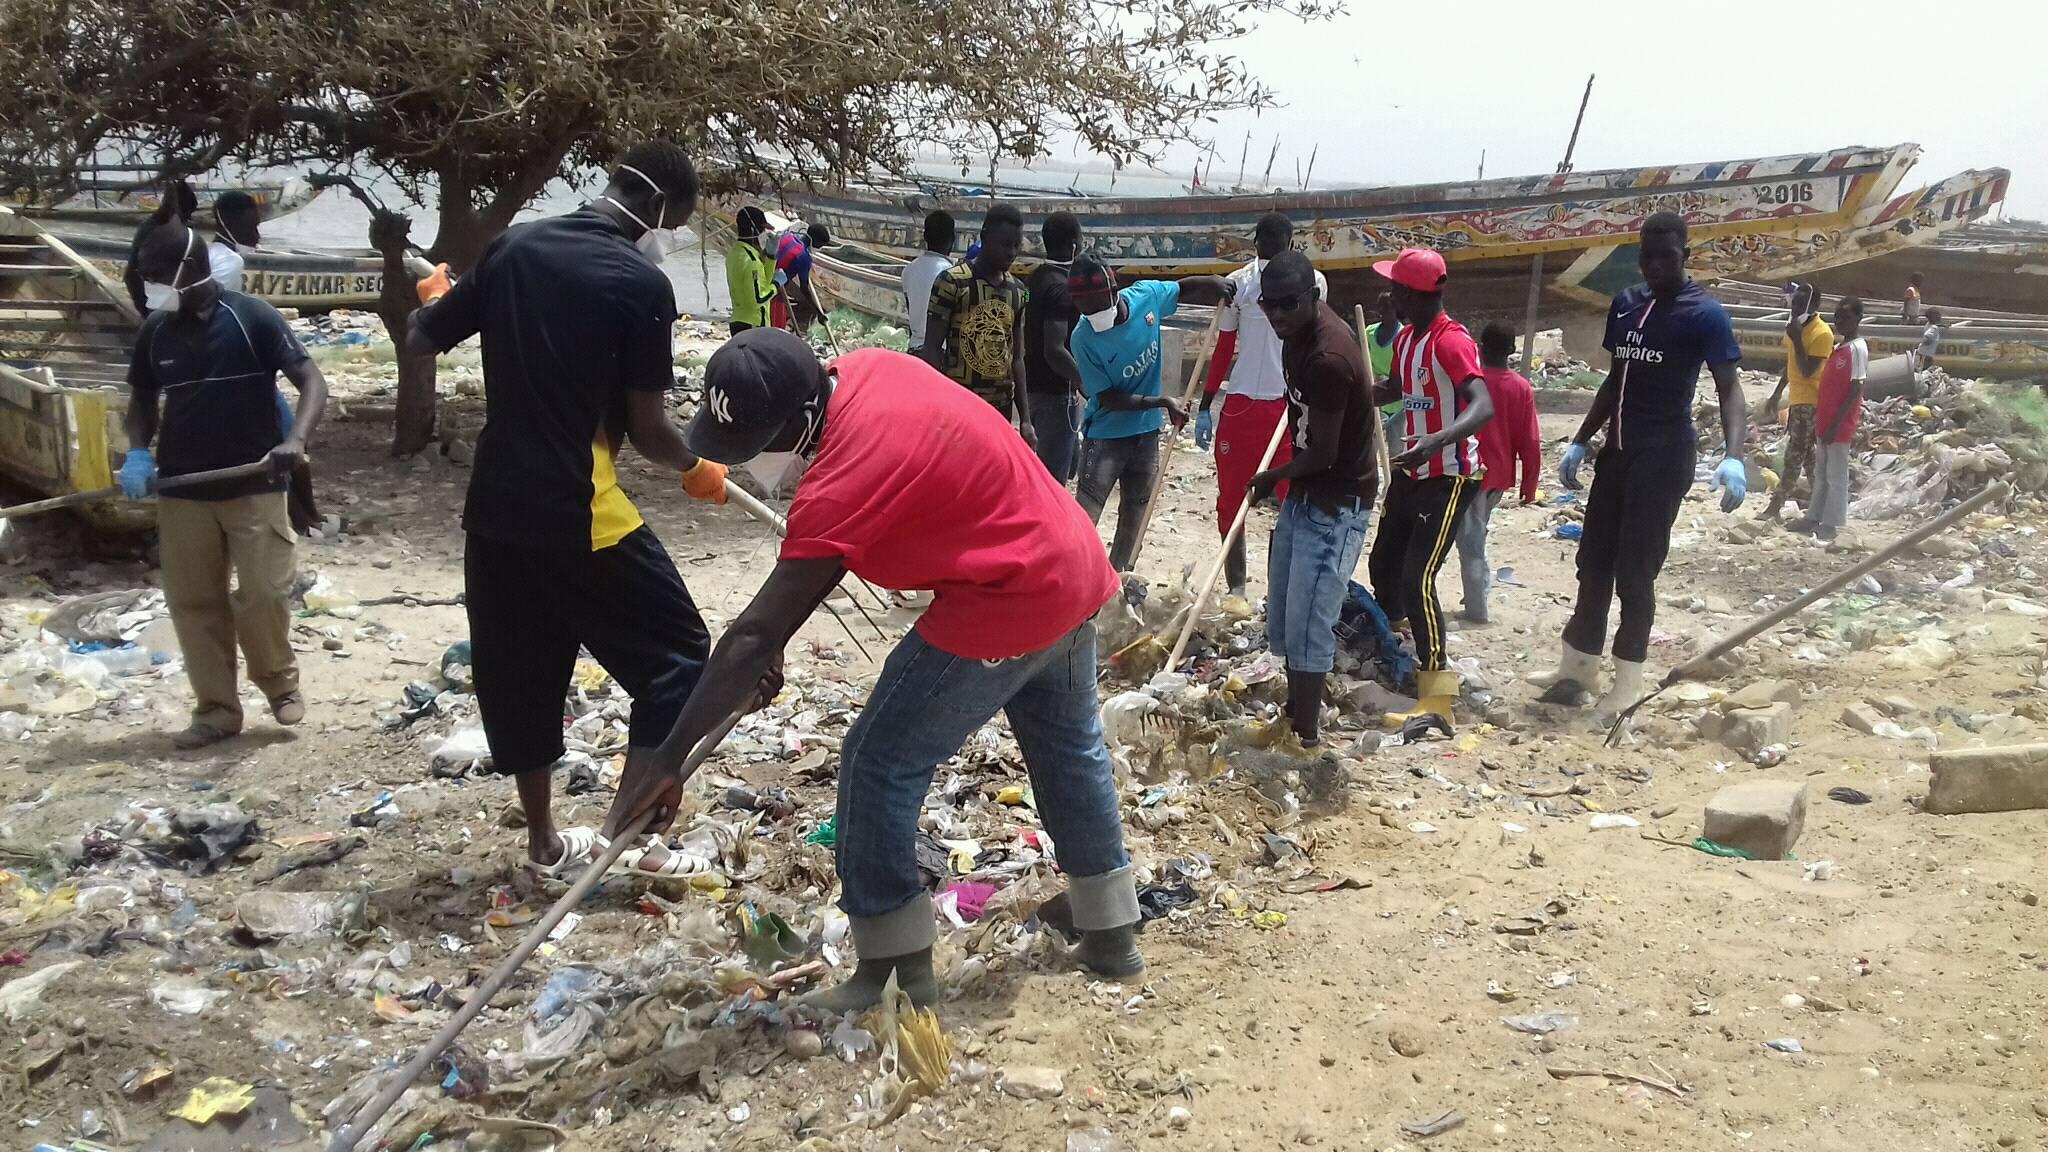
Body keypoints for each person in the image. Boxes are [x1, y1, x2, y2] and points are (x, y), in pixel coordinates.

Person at [604, 329, 1141, 1013]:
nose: (750, 467)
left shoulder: (842, 478)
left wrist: (668, 758)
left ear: (801, 422)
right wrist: (755, 663)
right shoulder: (868, 371)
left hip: (1010, 596)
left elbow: (756, 632)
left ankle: (891, 969)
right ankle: (1111, 931)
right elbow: (774, 628)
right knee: (1069, 748)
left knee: (878, 761)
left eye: (755, 449)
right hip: (1068, 563)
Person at [406, 142, 729, 875]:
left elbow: (424, 340)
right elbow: (649, 431)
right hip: (579, 506)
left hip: (494, 505)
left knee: (521, 666)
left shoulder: (515, 247)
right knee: (678, 654)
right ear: (657, 208)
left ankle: (545, 841)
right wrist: (697, 467)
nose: (670, 235)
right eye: (677, 221)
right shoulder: (640, 283)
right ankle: (625, 833)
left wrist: (445, 296)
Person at [120, 222, 328, 748]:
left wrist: (296, 440)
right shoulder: (156, 333)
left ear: (190, 270)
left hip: (254, 481)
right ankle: (216, 710)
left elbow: (311, 380)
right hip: (184, 488)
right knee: (194, 603)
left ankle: (280, 686)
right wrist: (138, 452)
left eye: (157, 276)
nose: (151, 287)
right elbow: (142, 401)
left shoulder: (251, 317)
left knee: (262, 594)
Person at [1535, 211, 1748, 721]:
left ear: (1685, 257)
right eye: (1647, 257)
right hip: (1618, 454)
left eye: (1666, 257)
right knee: (1593, 564)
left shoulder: (1704, 314)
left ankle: (1627, 682)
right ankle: (1577, 666)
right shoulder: (1627, 305)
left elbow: (1730, 387)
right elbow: (1615, 382)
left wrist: (1735, 455)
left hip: (1664, 455)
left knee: (1635, 573)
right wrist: (1582, 441)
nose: (1655, 266)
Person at [1244, 252, 1375, 747]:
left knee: (1309, 621)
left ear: (1312, 299)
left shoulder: (1327, 357)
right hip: (1305, 491)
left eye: (1286, 305)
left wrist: (1269, 477)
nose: (1275, 315)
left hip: (1337, 501)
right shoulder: (1293, 339)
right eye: (1267, 305)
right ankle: (1294, 709)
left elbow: (1323, 452)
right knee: (1282, 616)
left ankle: (1306, 737)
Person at [1364, 248, 1494, 727]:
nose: (1388, 295)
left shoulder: (1450, 341)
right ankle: (1406, 646)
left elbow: (1482, 405)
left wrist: (1436, 440)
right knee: (1384, 564)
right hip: (1411, 470)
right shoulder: (1405, 340)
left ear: (1414, 295)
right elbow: (1399, 388)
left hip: (1449, 473)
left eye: (1395, 289)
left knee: (1419, 577)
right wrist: (1357, 390)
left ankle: (1437, 696)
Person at [1068, 259, 1233, 571]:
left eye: (1097, 304)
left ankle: (1120, 580)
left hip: (1145, 435)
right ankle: (1080, 583)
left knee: (1135, 513)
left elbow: (1183, 287)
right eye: (1084, 308)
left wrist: (1212, 282)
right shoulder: (1083, 337)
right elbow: (1107, 397)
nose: (1093, 314)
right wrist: (1161, 402)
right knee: (1086, 518)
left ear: (1114, 291)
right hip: (1105, 437)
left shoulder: (1147, 296)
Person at [1196, 212, 1326, 598]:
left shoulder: (1313, 282)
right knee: (1232, 502)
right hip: (1243, 403)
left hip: (1287, 403)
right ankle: (1237, 589)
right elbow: (1223, 347)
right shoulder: (1237, 285)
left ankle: (1277, 590)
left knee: (1290, 500)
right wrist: (1205, 402)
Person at [920, 204, 1034, 448]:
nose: (1012, 252)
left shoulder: (1019, 292)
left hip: (1000, 410)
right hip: (958, 406)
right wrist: (935, 406)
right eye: (1005, 244)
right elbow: (931, 348)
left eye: (1016, 245)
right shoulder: (952, 283)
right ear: (984, 237)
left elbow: (1017, 359)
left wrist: (1025, 419)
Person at [1454, 320, 1540, 624]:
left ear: (1480, 346)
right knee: (1476, 534)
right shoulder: (1520, 387)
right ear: (1513, 350)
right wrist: (1529, 485)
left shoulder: (1468, 383)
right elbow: (1530, 441)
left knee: (1471, 542)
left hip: (1470, 472)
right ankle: (1475, 595)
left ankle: (1477, 610)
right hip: (1498, 477)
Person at [1791, 296, 1866, 543]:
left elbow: (1855, 389)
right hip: (1825, 420)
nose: (1839, 321)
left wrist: (1836, 424)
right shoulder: (1839, 348)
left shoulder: (1857, 349)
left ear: (1858, 318)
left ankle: (1832, 522)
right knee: (1821, 473)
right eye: (1837, 316)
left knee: (1836, 475)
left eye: (1845, 316)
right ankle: (1814, 516)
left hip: (1839, 425)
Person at [1761, 282, 1834, 520]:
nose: (1796, 309)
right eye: (1795, 304)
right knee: (1809, 456)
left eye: (1801, 305)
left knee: (1794, 454)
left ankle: (1775, 506)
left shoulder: (1822, 333)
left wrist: (1797, 337)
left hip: (1812, 402)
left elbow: (1805, 370)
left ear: (1815, 305)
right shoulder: (1795, 328)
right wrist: (1776, 393)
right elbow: (1791, 364)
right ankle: (1821, 501)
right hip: (1797, 401)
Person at [1023, 212, 1085, 482]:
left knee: (1062, 464)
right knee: (1052, 478)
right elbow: (1055, 349)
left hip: (1031, 386)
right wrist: (1085, 382)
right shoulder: (1062, 288)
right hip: (1056, 394)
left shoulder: (1034, 278)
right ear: (1074, 244)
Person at [123, 179, 197, 313]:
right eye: (187, 216)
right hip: (153, 302)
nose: (188, 220)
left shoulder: (157, 227)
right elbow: (133, 275)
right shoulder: (157, 232)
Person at [902, 210, 956, 353]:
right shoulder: (953, 274)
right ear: (953, 238)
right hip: (941, 353)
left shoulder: (908, 270)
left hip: (914, 350)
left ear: (925, 237)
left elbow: (911, 311)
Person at [767, 222, 832, 333]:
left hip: (764, 278)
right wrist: (818, 312)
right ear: (816, 241)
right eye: (821, 245)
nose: (820, 248)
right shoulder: (804, 257)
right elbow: (804, 288)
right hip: (776, 292)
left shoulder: (787, 236)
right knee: (775, 329)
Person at [726, 206, 778, 336]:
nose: (764, 233)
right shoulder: (751, 262)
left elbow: (763, 282)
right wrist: (776, 285)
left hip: (738, 320)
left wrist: (771, 258)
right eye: (763, 229)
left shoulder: (735, 253)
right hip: (754, 325)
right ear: (753, 229)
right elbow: (758, 299)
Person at [1365, 291, 1403, 458]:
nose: (1382, 311)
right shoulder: (1369, 333)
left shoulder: (1403, 336)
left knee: (1397, 451)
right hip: (1377, 400)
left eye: (1387, 307)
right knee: (1371, 448)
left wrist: (1389, 380)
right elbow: (1363, 360)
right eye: (1380, 306)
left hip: (1399, 404)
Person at [207, 191, 261, 294]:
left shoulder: (207, 253)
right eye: (250, 228)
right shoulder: (230, 261)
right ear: (228, 224)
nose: (257, 236)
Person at [1916, 307, 1944, 372]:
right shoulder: (1934, 329)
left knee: (1925, 370)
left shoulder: (1928, 324)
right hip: (1926, 355)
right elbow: (1927, 336)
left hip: (1923, 353)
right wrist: (1927, 341)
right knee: (1926, 371)